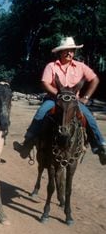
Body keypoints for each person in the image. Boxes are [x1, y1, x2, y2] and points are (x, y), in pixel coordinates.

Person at [13, 36, 106, 165]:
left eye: (72, 50)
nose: (69, 53)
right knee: (41, 113)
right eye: (66, 50)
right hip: (54, 99)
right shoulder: (51, 66)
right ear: (60, 52)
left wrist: (86, 97)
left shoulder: (80, 66)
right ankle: (27, 143)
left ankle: (100, 147)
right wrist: (59, 94)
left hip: (74, 101)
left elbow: (94, 79)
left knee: (89, 117)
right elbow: (45, 83)